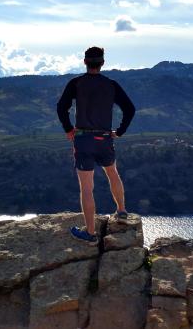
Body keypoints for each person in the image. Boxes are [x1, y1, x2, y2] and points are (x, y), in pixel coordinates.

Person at [56, 46, 136, 245]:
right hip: (104, 138)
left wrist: (68, 128)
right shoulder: (111, 84)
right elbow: (130, 109)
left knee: (86, 188)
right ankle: (122, 211)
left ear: (85, 62)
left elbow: (61, 107)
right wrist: (120, 131)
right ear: (102, 63)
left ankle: (90, 233)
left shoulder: (76, 83)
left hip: (83, 139)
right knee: (112, 173)